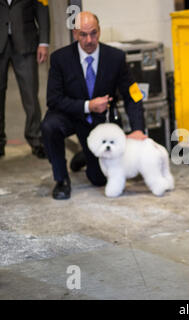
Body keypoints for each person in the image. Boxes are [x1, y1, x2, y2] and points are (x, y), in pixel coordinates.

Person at [41, 11, 147, 200]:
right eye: (83, 34)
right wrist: (88, 106)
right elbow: (53, 99)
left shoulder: (115, 57)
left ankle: (86, 153)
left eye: (94, 33)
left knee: (98, 179)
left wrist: (138, 129)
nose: (89, 40)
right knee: (49, 126)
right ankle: (61, 180)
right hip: (71, 115)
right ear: (75, 34)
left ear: (99, 31)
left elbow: (133, 95)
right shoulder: (60, 58)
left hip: (101, 122)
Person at [0, 0, 49, 158]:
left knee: (30, 94)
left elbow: (42, 10)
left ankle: (36, 139)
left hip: (26, 44)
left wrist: (43, 42)